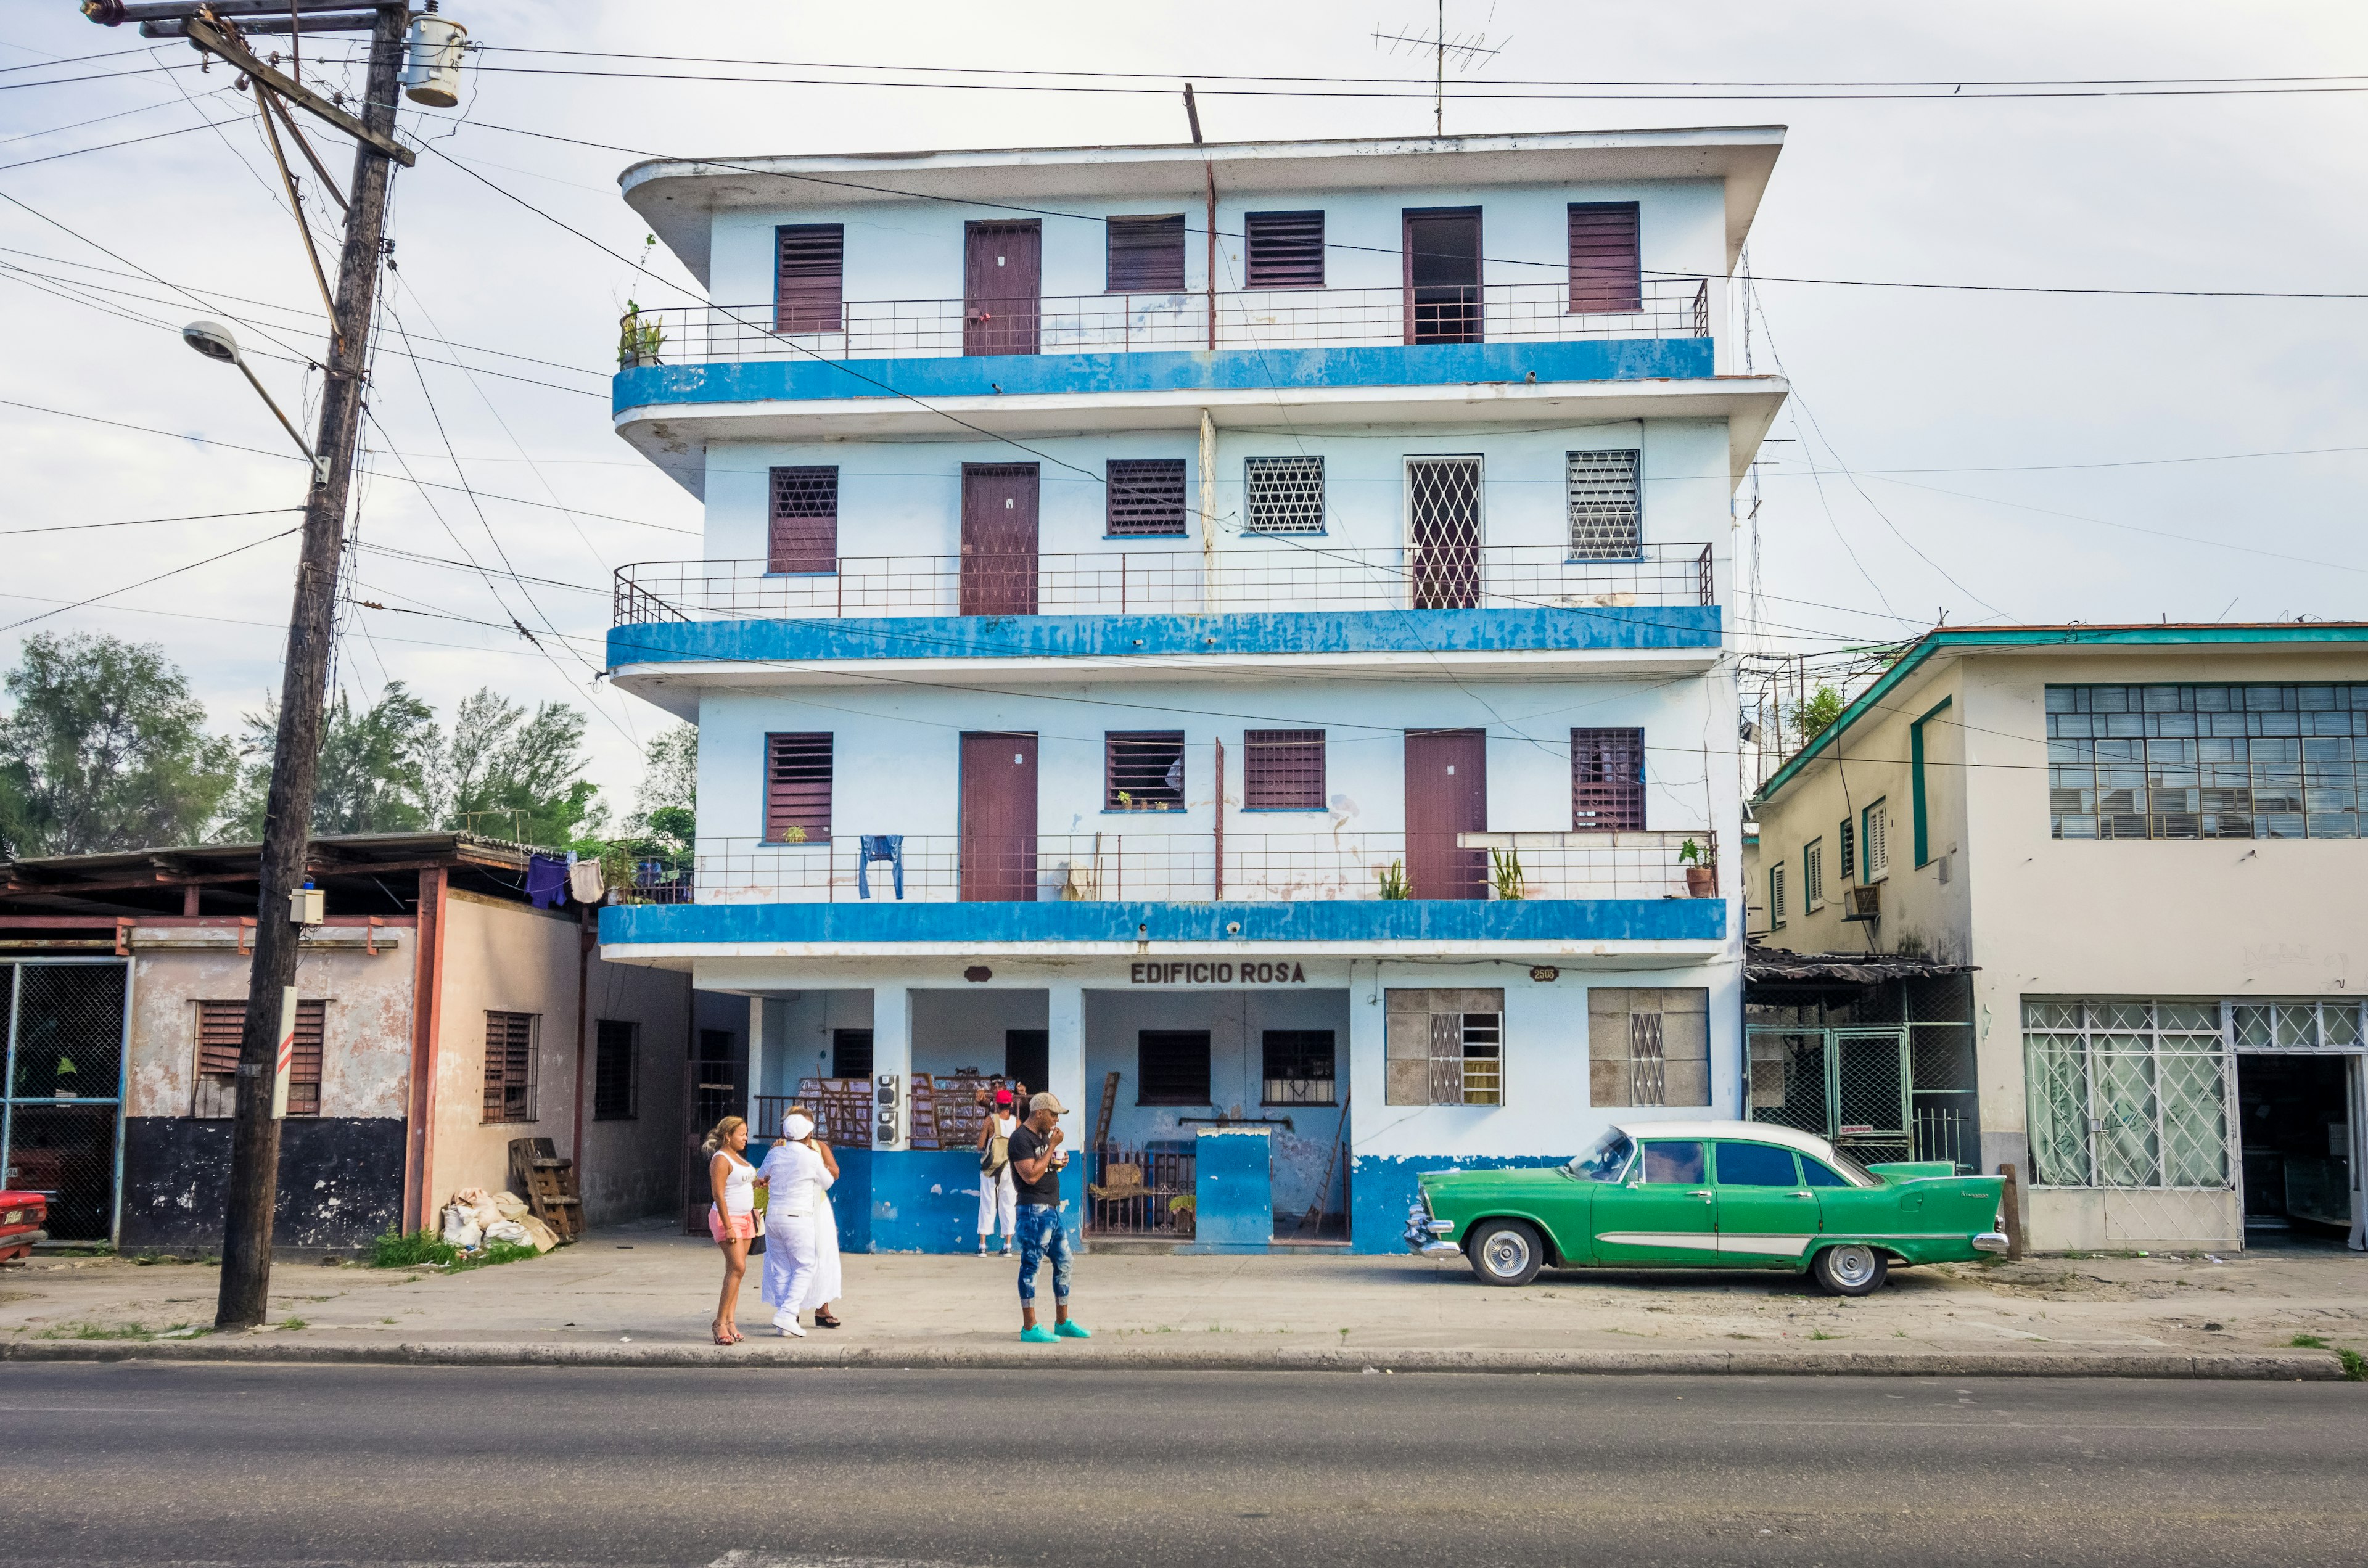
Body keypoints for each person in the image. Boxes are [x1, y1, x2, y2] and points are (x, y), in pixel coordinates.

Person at [1008, 1091, 1089, 1343]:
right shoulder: (1020, 1139)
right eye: (1053, 1114)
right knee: (1031, 1266)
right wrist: (1052, 1147)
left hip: (1052, 1210)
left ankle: (1062, 1322)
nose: (1056, 1120)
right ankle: (1029, 1327)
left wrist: (1057, 1162)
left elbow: (1043, 1166)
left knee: (1065, 1262)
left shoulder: (1042, 1136)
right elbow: (1030, 1176)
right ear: (1039, 1113)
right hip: (1033, 1211)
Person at [757, 1109, 836, 1337]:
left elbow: (762, 1176)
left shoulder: (775, 1153)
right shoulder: (811, 1156)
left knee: (781, 1268)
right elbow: (828, 1182)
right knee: (806, 1266)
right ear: (808, 1135)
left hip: (773, 1217)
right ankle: (787, 1313)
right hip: (798, 1218)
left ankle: (785, 1323)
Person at [702, 1115, 756, 1346]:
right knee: (737, 1267)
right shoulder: (721, 1159)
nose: (745, 1138)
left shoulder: (738, 1158)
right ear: (728, 1136)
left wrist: (758, 1181)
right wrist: (728, 1225)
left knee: (737, 1272)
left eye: (746, 1133)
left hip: (747, 1218)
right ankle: (719, 1323)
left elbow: (741, 1183)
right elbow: (719, 1194)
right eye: (741, 1134)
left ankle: (731, 1322)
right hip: (729, 1219)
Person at [976, 1086, 1019, 1257]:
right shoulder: (1017, 1123)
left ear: (996, 1105)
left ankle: (983, 1247)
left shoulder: (990, 1121)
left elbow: (980, 1145)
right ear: (1011, 1104)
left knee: (987, 1204)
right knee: (1008, 1204)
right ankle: (1007, 1246)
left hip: (990, 1169)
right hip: (1009, 1169)